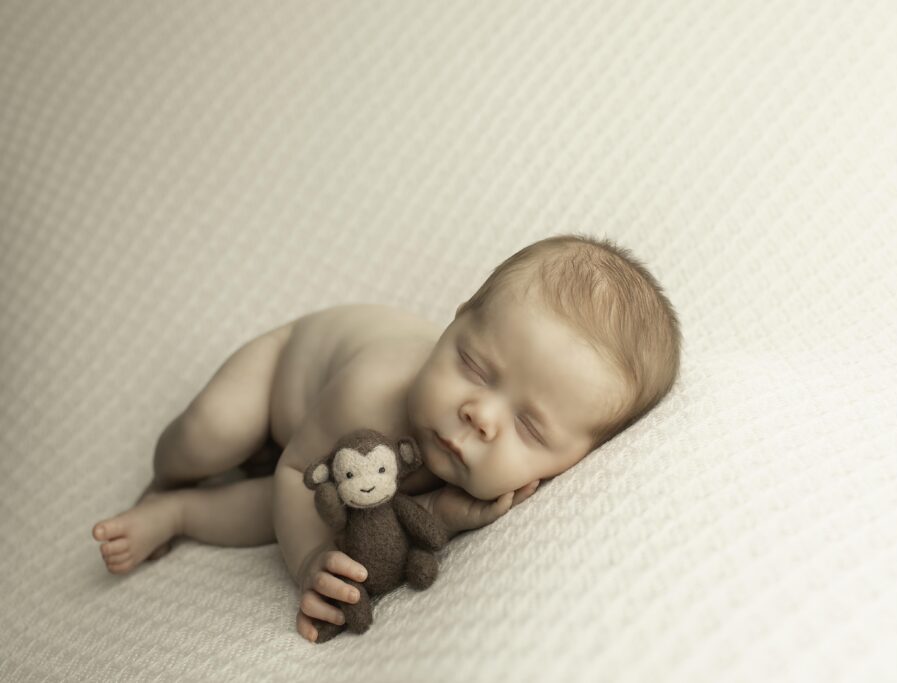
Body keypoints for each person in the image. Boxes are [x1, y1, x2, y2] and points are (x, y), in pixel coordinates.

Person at [91, 233, 682, 642]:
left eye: (529, 426)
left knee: (334, 508)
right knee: (211, 434)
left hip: (335, 474)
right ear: (455, 320)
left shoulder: (505, 478)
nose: (479, 416)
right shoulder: (373, 391)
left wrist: (443, 516)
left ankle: (179, 515)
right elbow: (296, 474)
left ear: (578, 459)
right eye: (474, 366)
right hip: (283, 382)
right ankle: (167, 478)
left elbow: (399, 519)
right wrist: (310, 562)